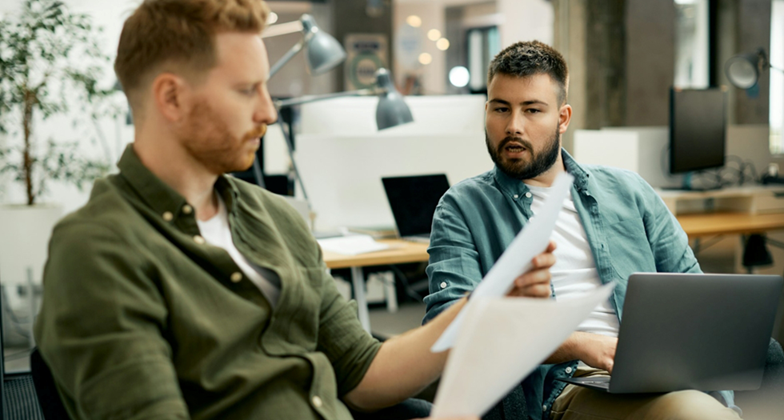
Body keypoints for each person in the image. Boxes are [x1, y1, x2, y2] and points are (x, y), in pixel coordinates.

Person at [33, 2, 556, 419]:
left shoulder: (274, 219)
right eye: (246, 90)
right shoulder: (100, 250)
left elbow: (364, 374)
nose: (268, 110)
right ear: (171, 98)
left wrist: (480, 309)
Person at [422, 40, 742, 420]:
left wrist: (717, 389)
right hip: (565, 387)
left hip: (655, 372)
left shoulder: (629, 190)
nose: (513, 126)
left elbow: (695, 294)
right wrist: (579, 344)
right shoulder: (462, 206)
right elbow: (449, 332)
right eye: (500, 109)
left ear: (563, 117)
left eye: (532, 110)